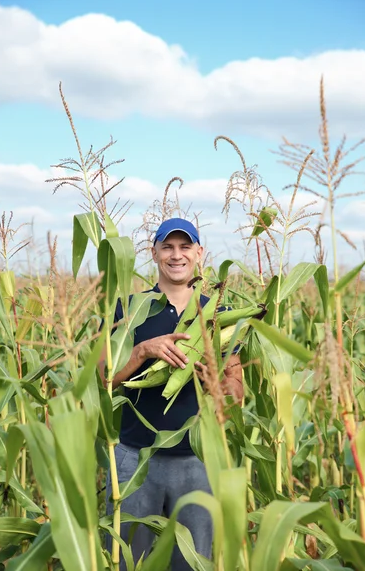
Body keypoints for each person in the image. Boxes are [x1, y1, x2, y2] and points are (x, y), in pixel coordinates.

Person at [100, 218, 243, 570]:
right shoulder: (127, 310)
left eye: (184, 247)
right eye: (167, 247)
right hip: (135, 460)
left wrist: (215, 384)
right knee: (128, 561)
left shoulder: (219, 314)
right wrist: (142, 351)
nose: (176, 255)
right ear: (154, 254)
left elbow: (236, 392)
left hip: (197, 461)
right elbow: (103, 379)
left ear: (199, 253)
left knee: (193, 562)